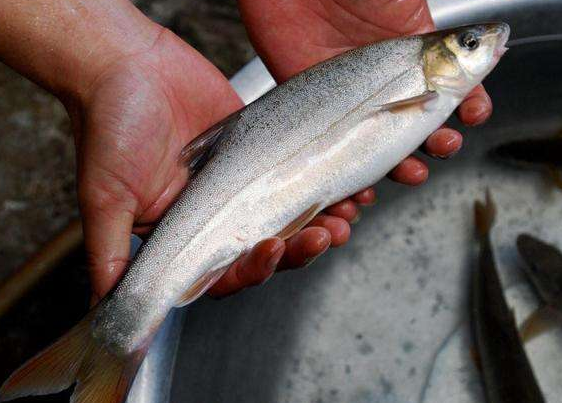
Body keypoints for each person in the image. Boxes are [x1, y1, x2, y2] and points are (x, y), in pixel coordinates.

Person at [0, 0, 492, 304]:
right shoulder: (421, 81)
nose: (490, 42)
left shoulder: (424, 83)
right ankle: (122, 326)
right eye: (470, 43)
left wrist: (107, 54)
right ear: (436, 60)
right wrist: (107, 60)